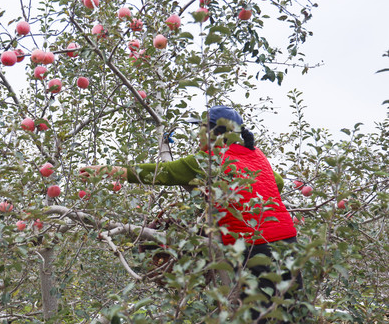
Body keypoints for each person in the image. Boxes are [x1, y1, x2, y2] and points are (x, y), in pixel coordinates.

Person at [80, 105, 303, 323]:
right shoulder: (256, 154)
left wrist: (105, 171)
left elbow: (159, 173)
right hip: (288, 239)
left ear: (213, 133)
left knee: (256, 314)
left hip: (252, 245)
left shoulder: (206, 160)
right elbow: (278, 183)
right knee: (292, 309)